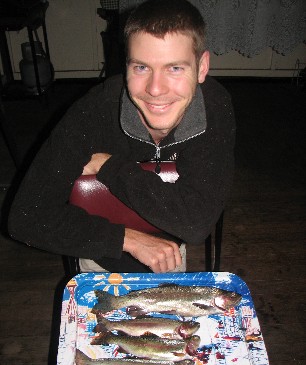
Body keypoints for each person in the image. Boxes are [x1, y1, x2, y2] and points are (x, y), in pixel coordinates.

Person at [8, 0, 235, 274]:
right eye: (141, 67)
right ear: (125, 65)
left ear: (201, 67)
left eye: (175, 68)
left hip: (171, 254)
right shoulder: (95, 110)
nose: (155, 89)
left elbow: (196, 224)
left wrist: (109, 166)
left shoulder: (214, 106)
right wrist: (128, 239)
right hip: (98, 254)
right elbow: (25, 216)